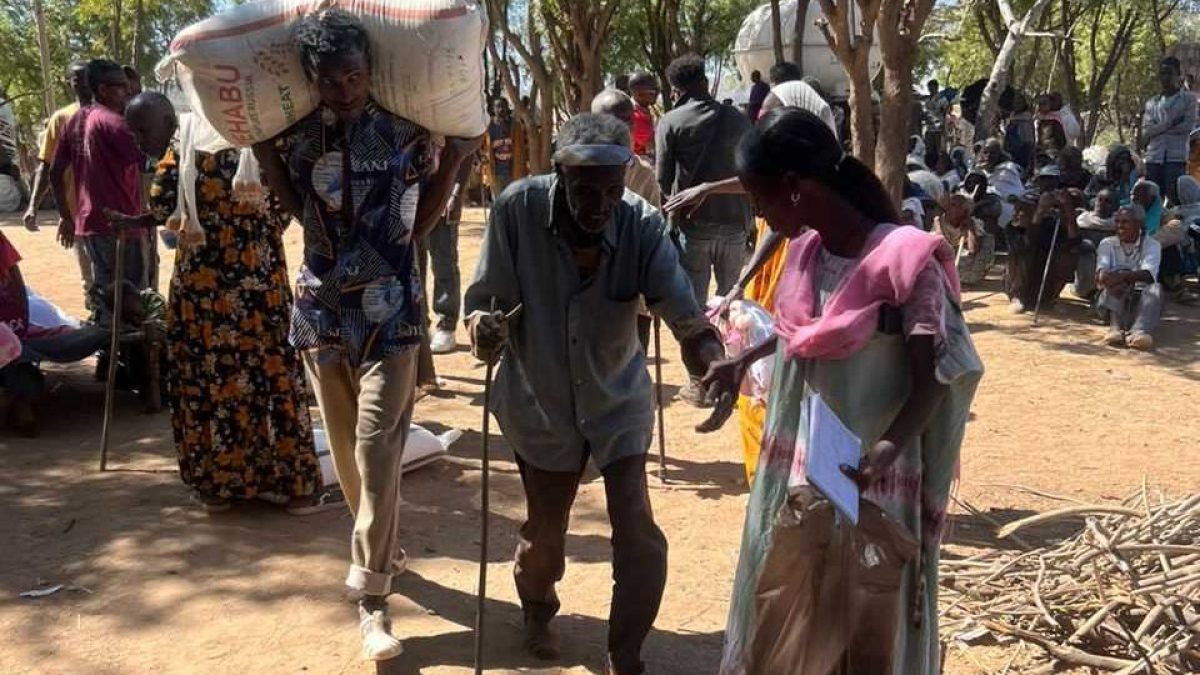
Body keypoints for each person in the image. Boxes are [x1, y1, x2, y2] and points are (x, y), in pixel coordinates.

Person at [699, 107, 982, 675]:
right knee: (798, 606)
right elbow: (801, 334)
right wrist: (742, 361)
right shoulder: (807, 252)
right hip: (808, 468)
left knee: (865, 622)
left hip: (872, 480)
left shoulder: (905, 261)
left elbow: (937, 375)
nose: (758, 213)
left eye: (758, 197)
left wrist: (885, 452)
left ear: (794, 186)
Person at [251, 9, 481, 660]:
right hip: (322, 311)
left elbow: (420, 222)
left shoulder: (405, 132)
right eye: (330, 80)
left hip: (392, 312)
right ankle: (382, 553)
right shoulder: (298, 138)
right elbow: (298, 211)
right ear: (312, 79)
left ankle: (371, 598)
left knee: (379, 448)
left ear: (370, 70)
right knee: (353, 457)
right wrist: (265, 155)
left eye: (353, 76)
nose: (344, 89)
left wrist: (455, 162)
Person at [464, 112, 725, 675]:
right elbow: (484, 302)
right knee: (546, 533)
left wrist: (711, 357)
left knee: (637, 531)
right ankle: (538, 607)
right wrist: (484, 326)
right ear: (560, 174)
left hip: (615, 400)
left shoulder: (642, 224)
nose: (599, 204)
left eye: (611, 189)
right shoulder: (516, 210)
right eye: (585, 190)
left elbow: (684, 314)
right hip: (540, 401)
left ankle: (624, 652)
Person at [110, 100, 334, 513]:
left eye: (143, 130)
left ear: (168, 119)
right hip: (260, 289)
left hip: (204, 297)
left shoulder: (182, 149)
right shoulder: (263, 143)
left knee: (210, 381)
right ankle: (292, 486)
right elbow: (286, 209)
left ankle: (219, 484)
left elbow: (166, 207)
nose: (139, 141)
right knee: (270, 377)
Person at [657, 54, 753, 406]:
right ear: (706, 82)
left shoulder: (671, 121)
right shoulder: (739, 119)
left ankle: (700, 383)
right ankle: (735, 380)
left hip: (692, 229)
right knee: (733, 307)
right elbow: (750, 172)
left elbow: (663, 180)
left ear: (675, 89)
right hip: (736, 223)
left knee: (693, 310)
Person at [50, 58, 148, 308]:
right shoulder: (113, 122)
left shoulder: (76, 120)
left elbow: (55, 172)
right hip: (121, 224)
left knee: (107, 297)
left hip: (90, 225)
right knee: (132, 302)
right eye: (122, 86)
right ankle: (124, 335)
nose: (128, 92)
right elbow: (147, 159)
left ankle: (106, 333)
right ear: (103, 90)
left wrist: (67, 216)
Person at [23, 61, 94, 308]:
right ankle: (100, 324)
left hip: (112, 212)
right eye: (77, 78)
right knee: (90, 280)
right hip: (78, 214)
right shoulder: (61, 118)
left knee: (118, 278)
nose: (83, 83)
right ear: (69, 83)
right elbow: (46, 167)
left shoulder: (110, 114)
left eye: (87, 77)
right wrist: (33, 206)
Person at [423, 157, 474, 355]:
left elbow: (466, 153)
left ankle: (446, 325)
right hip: (413, 195)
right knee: (413, 265)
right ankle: (420, 324)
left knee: (443, 263)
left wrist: (456, 193)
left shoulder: (452, 132)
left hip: (443, 196)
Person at [1097, 204, 1162, 350]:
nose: (1120, 226)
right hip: (1110, 301)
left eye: (1125, 222)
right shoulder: (1107, 243)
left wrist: (1122, 276)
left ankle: (1139, 332)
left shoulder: (1152, 245)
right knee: (1115, 283)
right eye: (1117, 221)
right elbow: (1102, 276)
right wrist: (1124, 278)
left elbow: (1148, 275)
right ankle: (1115, 328)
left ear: (1139, 225)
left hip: (1140, 302)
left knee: (1156, 288)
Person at [1141, 57, 1196, 206]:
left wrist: (1158, 128)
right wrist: (1171, 123)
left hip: (1176, 158)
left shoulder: (1188, 99)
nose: (1164, 77)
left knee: (1174, 200)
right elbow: (1147, 131)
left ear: (1178, 74)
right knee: (1151, 201)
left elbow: (1187, 127)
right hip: (1154, 158)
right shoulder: (1152, 103)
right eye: (1162, 73)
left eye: (1168, 73)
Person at [934, 192, 995, 285]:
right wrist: (938, 226)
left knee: (988, 240)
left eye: (957, 206)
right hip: (946, 258)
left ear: (965, 211)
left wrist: (970, 229)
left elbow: (973, 250)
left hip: (964, 261)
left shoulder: (973, 223)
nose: (951, 208)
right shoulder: (939, 222)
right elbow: (939, 246)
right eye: (951, 205)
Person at [483, 96, 528, 200]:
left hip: (514, 172)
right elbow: (482, 147)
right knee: (499, 202)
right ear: (493, 109)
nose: (501, 109)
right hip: (495, 174)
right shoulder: (488, 127)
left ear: (508, 108)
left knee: (513, 202)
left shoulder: (516, 126)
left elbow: (524, 146)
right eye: (498, 107)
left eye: (503, 106)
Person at [628, 72, 659, 159]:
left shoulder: (648, 109)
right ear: (640, 94)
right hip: (641, 163)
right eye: (653, 91)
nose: (657, 93)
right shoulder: (634, 116)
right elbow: (653, 145)